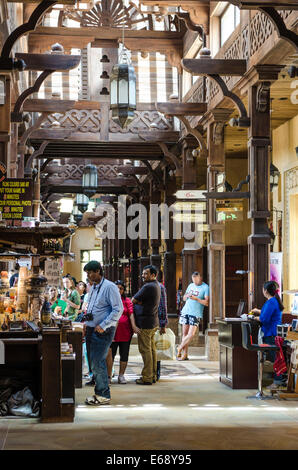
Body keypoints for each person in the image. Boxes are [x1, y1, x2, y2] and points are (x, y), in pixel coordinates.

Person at [83, 260, 123, 406]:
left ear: (98, 271)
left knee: (98, 362)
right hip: (91, 329)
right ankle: (100, 392)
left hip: (103, 331)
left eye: (90, 273)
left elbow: (118, 309)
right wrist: (86, 324)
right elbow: (93, 309)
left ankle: (103, 394)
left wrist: (104, 324)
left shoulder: (110, 287)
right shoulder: (93, 287)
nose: (88, 276)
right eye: (87, 273)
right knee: (93, 363)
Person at [251, 280, 286, 389]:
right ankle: (277, 380)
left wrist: (253, 317)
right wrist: (258, 311)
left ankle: (277, 381)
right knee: (274, 357)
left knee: (274, 358)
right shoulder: (273, 301)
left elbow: (264, 319)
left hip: (271, 334)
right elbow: (267, 313)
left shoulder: (271, 302)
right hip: (272, 333)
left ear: (265, 291)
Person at [132, 265, 161, 385]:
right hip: (153, 322)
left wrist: (138, 301)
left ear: (153, 275)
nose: (143, 276)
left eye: (146, 274)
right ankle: (153, 375)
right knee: (152, 350)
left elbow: (133, 300)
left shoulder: (148, 286)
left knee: (145, 351)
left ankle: (147, 377)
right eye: (143, 273)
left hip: (145, 323)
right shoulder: (156, 285)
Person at [106, 280, 140, 384]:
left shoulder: (127, 301)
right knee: (110, 354)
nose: (118, 290)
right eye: (116, 288)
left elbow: (131, 314)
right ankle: (109, 376)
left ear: (123, 290)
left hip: (125, 332)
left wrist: (134, 326)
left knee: (124, 353)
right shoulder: (109, 300)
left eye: (121, 288)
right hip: (112, 332)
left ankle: (121, 375)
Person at [177, 271, 209, 361]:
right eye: (193, 280)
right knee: (185, 334)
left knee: (191, 334)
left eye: (196, 280)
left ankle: (179, 347)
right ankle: (185, 354)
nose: (195, 282)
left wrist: (196, 298)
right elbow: (183, 298)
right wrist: (187, 296)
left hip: (196, 313)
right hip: (185, 311)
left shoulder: (205, 287)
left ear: (200, 278)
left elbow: (206, 303)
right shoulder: (190, 285)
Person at [156, 270, 168, 381]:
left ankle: (156, 372)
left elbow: (163, 306)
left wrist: (163, 324)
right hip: (150, 321)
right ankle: (153, 372)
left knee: (156, 347)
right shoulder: (148, 286)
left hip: (157, 322)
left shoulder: (160, 287)